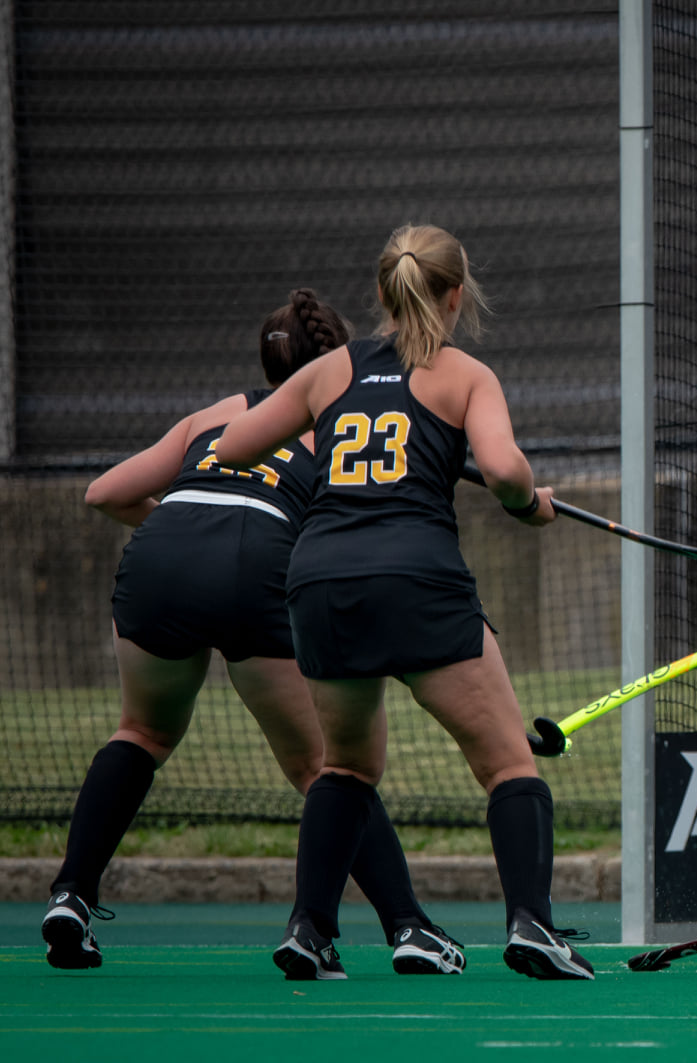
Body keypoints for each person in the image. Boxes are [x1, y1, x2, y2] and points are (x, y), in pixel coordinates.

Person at [42, 289, 464, 976]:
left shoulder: (213, 415)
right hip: (260, 562)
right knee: (329, 765)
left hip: (163, 551)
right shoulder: (340, 424)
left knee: (141, 732)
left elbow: (105, 493)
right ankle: (409, 927)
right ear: (334, 365)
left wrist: (188, 537)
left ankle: (71, 894)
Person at [214, 224, 593, 982]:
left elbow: (231, 446)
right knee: (507, 761)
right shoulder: (465, 376)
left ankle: (310, 929)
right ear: (456, 295)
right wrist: (530, 503)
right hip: (416, 579)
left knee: (346, 767)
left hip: (320, 581)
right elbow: (506, 472)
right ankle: (532, 926)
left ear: (384, 295)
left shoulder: (330, 373)